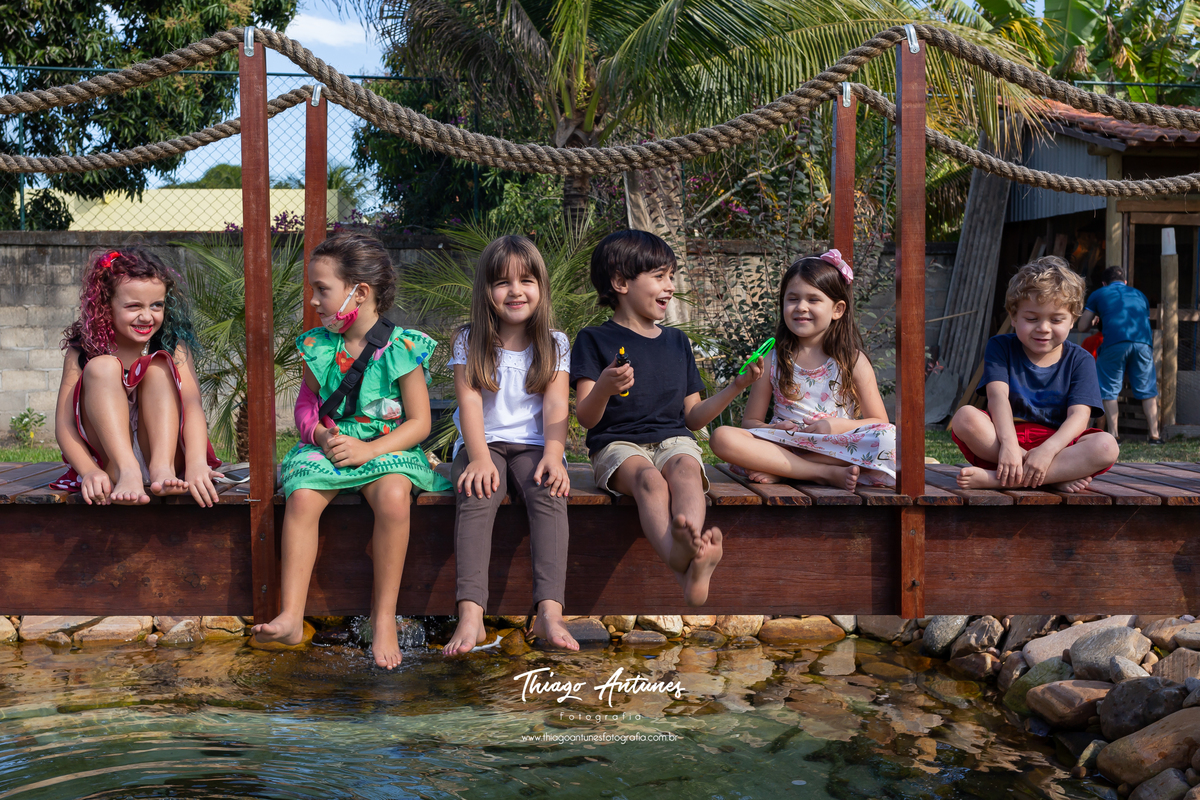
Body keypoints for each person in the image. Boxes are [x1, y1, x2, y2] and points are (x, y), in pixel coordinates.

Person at [252, 232, 450, 669]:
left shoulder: (402, 348)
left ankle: (384, 618)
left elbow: (419, 423)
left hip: (386, 448)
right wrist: (320, 436)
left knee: (395, 497)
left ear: (359, 292)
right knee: (302, 497)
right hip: (332, 444)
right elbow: (307, 406)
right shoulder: (319, 345)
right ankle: (291, 615)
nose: (313, 301)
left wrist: (369, 451)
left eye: (322, 289)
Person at [571, 229, 761, 607]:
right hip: (617, 444)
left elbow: (693, 418)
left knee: (687, 469)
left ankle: (689, 551)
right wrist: (604, 388)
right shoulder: (593, 340)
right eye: (659, 276)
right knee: (649, 481)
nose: (670, 286)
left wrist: (736, 386)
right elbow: (587, 419)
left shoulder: (677, 342)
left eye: (671, 276)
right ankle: (684, 564)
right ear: (621, 282)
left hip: (674, 440)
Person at [441, 236, 577, 656]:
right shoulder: (469, 340)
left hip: (535, 444)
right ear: (486, 291)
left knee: (549, 493)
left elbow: (556, 405)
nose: (515, 291)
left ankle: (550, 611)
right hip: (482, 443)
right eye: (502, 282)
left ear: (541, 288)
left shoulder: (554, 342)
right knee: (477, 493)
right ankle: (471, 613)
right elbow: (469, 404)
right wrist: (480, 458)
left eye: (526, 281)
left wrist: (554, 456)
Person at [710, 250, 898, 489]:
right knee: (722, 437)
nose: (801, 307)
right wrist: (774, 428)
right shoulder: (773, 358)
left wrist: (836, 426)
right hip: (785, 443)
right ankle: (819, 473)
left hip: (833, 445)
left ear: (838, 309)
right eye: (793, 299)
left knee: (889, 439)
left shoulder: (853, 360)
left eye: (813, 299)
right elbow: (751, 422)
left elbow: (880, 422)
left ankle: (784, 469)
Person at [51, 247, 222, 506]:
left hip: (164, 457)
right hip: (110, 464)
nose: (146, 316)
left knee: (157, 365)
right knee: (102, 367)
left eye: (157, 305)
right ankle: (127, 471)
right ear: (106, 305)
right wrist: (89, 471)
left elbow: (192, 406)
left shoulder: (172, 344)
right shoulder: (82, 350)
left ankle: (161, 470)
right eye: (133, 306)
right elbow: (65, 424)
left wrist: (197, 463)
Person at [950, 257, 1119, 492]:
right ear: (1013, 316)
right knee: (964, 417)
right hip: (1004, 440)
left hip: (1058, 447)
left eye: (1056, 319)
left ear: (1072, 320)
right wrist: (1009, 445)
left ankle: (1000, 480)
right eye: (1031, 319)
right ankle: (1053, 477)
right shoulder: (1000, 346)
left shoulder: (1081, 359)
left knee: (1107, 445)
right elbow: (997, 396)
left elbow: (1079, 416)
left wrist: (1047, 451)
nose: (1043, 328)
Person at [1077, 265, 1161, 443]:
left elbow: (1082, 327)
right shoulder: (1140, 295)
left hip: (1114, 343)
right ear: (1125, 281)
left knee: (1109, 390)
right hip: (1143, 343)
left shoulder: (1099, 294)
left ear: (1104, 283)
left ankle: (1114, 435)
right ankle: (1155, 436)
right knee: (1148, 389)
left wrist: (1095, 320)